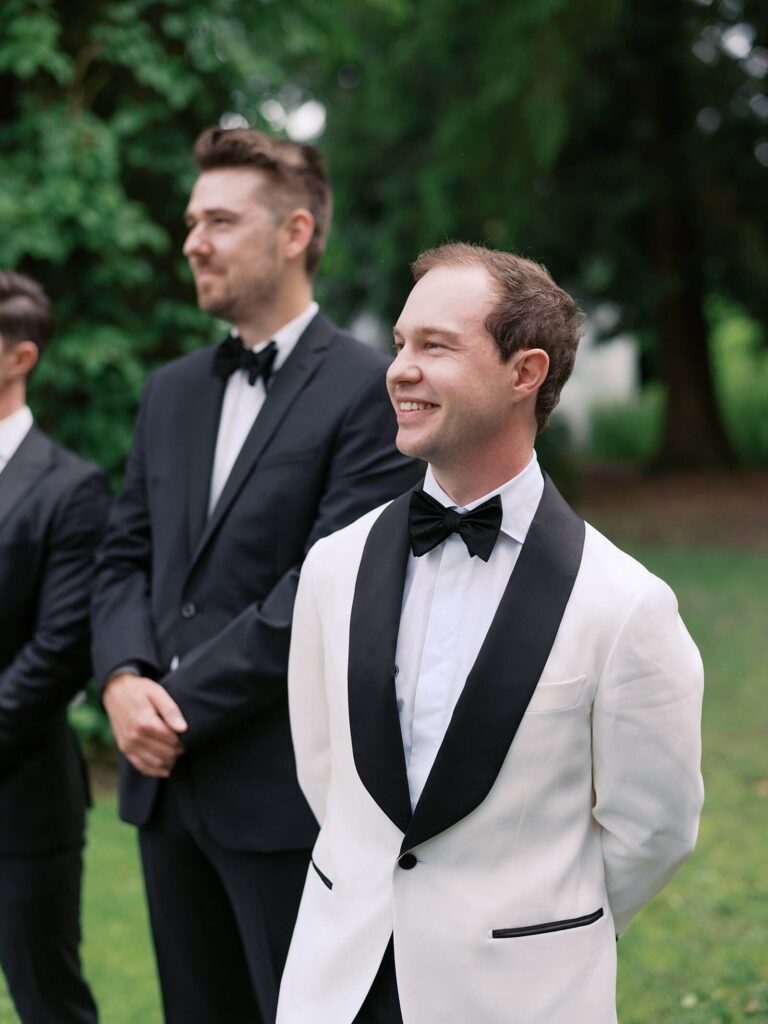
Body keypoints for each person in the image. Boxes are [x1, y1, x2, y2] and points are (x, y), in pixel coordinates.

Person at [277, 243, 705, 1024]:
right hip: (340, 983)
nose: (400, 368)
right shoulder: (333, 568)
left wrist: (532, 926)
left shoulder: (625, 604)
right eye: (401, 343)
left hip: (518, 995)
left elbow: (656, 828)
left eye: (436, 346)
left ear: (525, 372)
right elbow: (324, 770)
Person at [90, 126, 420, 1024]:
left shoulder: (372, 389)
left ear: (295, 232)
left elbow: (328, 588)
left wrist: (176, 704)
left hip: (290, 793)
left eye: (220, 221)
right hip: (166, 798)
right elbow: (123, 555)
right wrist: (122, 680)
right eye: (193, 221)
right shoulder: (170, 392)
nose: (191, 240)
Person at [0, 271, 109, 1024]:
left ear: (20, 356)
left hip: (20, 800)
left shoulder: (72, 489)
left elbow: (60, 650)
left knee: (47, 1002)